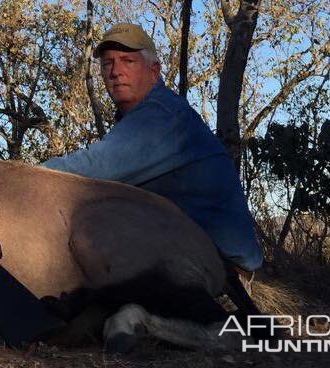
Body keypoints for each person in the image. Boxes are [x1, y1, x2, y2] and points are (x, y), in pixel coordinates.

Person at [42, 23, 263, 272]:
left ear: (154, 71)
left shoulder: (164, 115)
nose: (116, 71)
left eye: (128, 61)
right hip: (187, 244)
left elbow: (93, 167)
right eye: (107, 64)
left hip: (223, 261)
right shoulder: (139, 118)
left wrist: (12, 177)